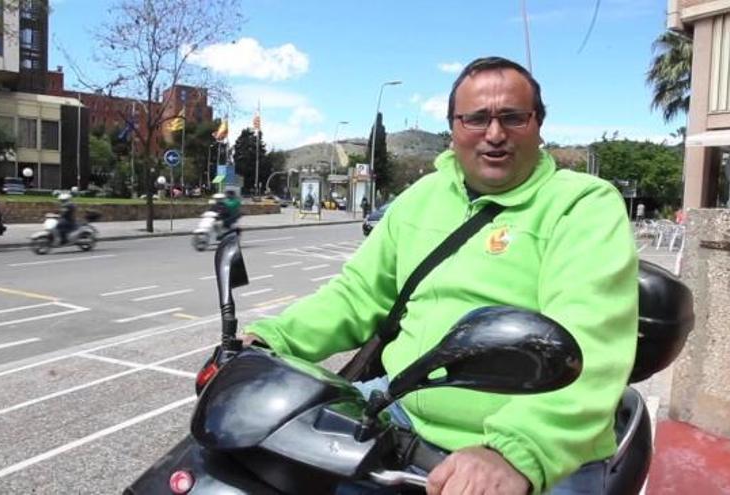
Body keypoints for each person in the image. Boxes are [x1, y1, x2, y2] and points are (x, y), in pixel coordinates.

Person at [243, 56, 637, 494]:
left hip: (536, 448)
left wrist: (514, 453)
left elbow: (590, 340)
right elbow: (356, 293)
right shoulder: (420, 199)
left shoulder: (582, 205)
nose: (494, 134)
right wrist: (268, 341)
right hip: (403, 412)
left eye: (513, 117)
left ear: (538, 125)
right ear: (453, 127)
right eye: (476, 118)